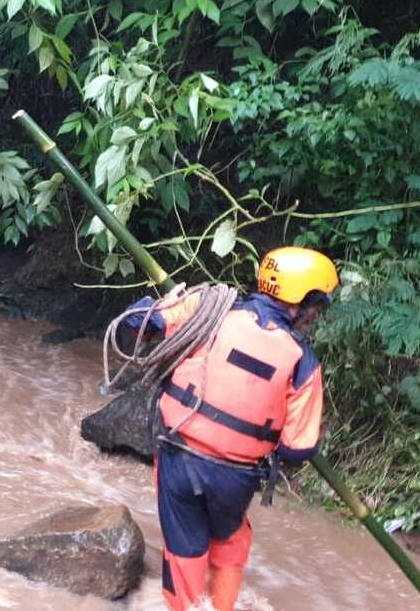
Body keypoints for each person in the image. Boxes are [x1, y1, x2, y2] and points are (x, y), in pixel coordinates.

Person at [116, 246, 339, 611]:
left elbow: (137, 321)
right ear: (301, 301)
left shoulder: (209, 309)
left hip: (179, 458)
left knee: (184, 549)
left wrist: (163, 303)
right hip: (236, 478)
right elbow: (298, 449)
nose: (316, 314)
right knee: (232, 540)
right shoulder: (303, 362)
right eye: (318, 305)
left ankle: (185, 605)